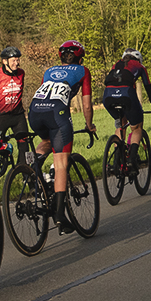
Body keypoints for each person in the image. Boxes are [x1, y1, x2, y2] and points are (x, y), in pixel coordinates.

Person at [28, 39, 96, 235]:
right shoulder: (83, 71)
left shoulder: (49, 71)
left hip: (34, 112)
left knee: (46, 141)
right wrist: (89, 125)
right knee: (61, 164)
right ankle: (59, 215)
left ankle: (32, 170)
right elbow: (86, 105)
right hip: (57, 115)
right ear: (80, 58)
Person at [103, 49, 151, 168]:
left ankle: (116, 161)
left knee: (121, 124)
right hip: (126, 95)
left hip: (108, 96)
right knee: (137, 127)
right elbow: (148, 89)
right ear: (139, 59)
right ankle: (132, 159)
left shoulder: (116, 64)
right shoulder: (140, 66)